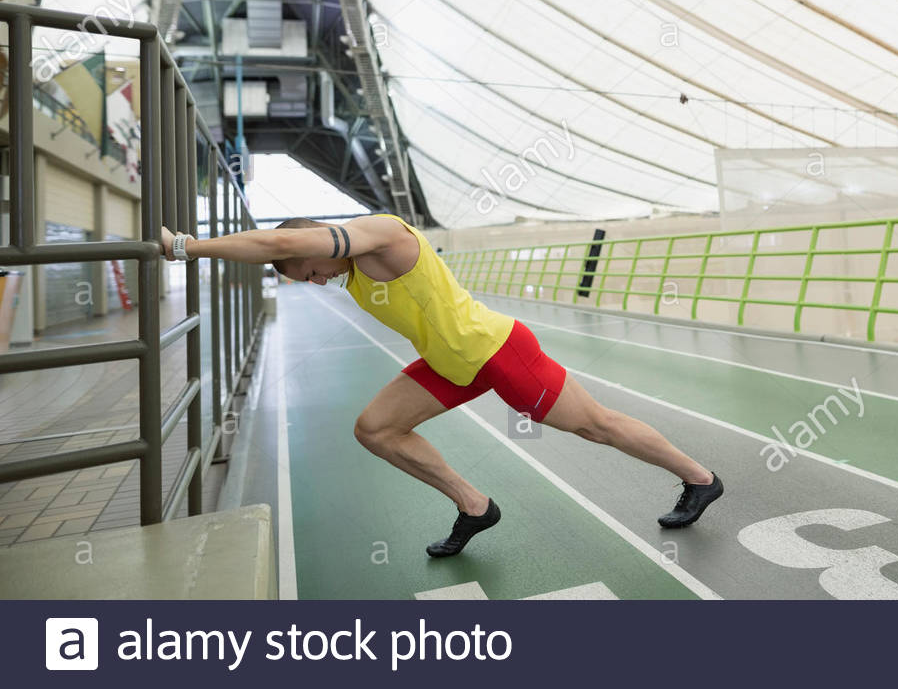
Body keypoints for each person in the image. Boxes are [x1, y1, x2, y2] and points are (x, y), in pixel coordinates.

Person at [160, 214, 723, 554]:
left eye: (310, 272)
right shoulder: (348, 266)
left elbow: (276, 245)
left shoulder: (381, 236)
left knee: (597, 426)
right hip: (452, 364)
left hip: (497, 351)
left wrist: (187, 246)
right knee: (375, 429)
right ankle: (475, 507)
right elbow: (287, 251)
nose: (318, 281)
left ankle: (700, 478)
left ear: (310, 246)